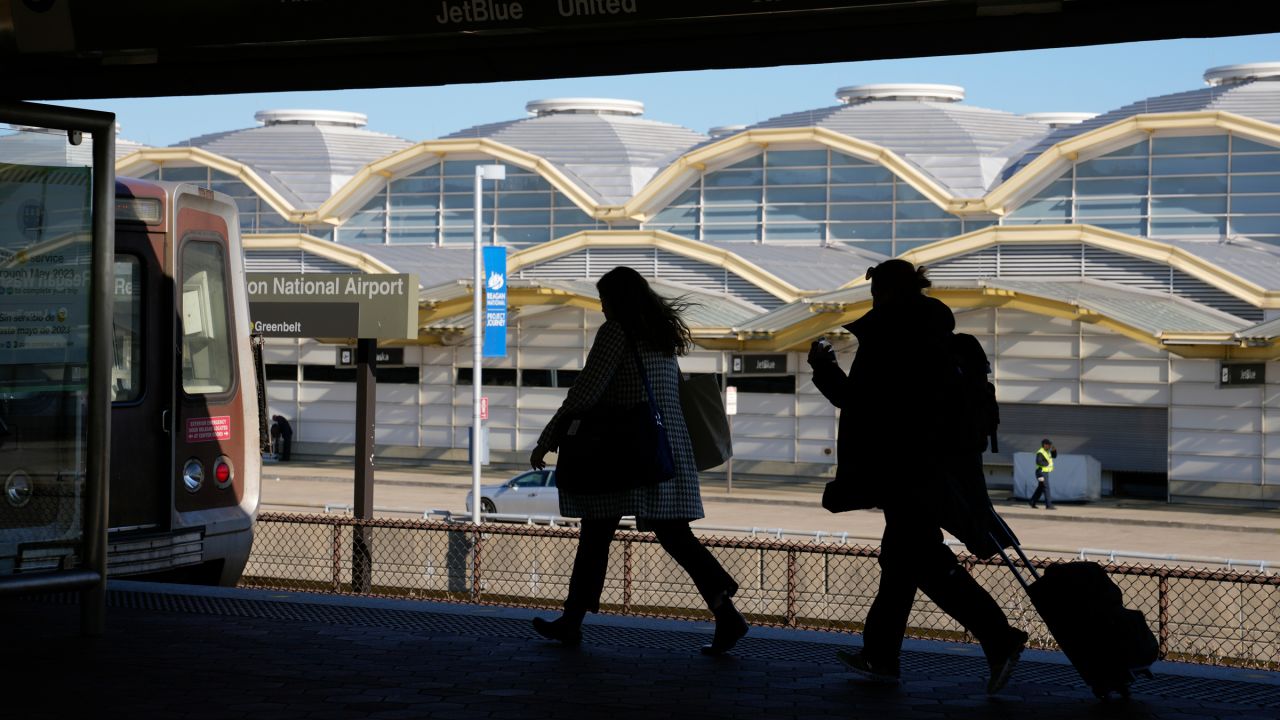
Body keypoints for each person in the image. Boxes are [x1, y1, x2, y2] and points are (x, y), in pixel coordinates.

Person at [808, 258, 1027, 694]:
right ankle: (880, 655)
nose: (870, 297)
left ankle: (999, 638)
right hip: (933, 468)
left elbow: (861, 403)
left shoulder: (892, 333)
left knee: (922, 560)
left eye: (875, 289)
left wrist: (823, 366)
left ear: (885, 291)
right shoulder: (936, 332)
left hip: (906, 469)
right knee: (900, 562)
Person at [529, 266, 748, 655]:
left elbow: (586, 391)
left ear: (617, 300)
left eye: (604, 300)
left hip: (622, 452)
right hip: (665, 451)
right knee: (674, 536)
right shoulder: (659, 336)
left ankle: (572, 621)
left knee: (595, 537)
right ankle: (725, 612)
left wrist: (548, 438)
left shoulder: (616, 332)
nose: (601, 309)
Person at [1030, 438, 1057, 509]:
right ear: (1045, 445)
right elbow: (1038, 462)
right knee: (1046, 487)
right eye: (1049, 444)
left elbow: (1054, 456)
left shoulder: (1047, 452)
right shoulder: (1040, 452)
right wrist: (1046, 463)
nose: (1050, 446)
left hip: (1043, 473)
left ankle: (1032, 502)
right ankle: (1049, 505)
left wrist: (1054, 451)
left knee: (1041, 487)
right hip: (1041, 473)